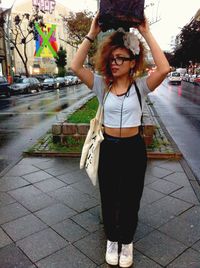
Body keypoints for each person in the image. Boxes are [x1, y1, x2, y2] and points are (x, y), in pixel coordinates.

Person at [71, 12, 170, 268]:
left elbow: (165, 68)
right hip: (109, 147)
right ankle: (112, 239)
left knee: (130, 197)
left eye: (120, 59)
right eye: (112, 58)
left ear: (132, 61)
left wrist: (145, 32)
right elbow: (75, 66)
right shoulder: (102, 85)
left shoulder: (141, 86)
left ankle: (126, 241)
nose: (114, 63)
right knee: (109, 196)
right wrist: (92, 33)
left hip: (133, 148)